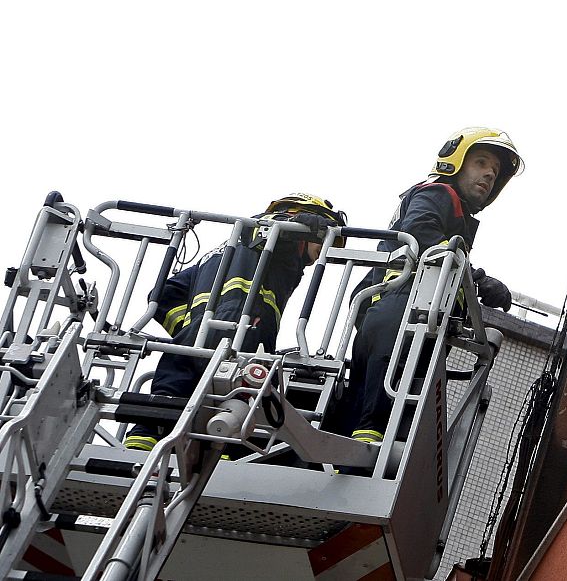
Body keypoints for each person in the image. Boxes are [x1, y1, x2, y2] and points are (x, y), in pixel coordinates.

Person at [336, 127, 520, 448]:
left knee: (372, 421)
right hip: (399, 309)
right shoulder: (437, 193)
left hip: (407, 315)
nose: (490, 174)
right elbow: (422, 233)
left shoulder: (456, 212)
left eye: (495, 171)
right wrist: (477, 278)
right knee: (372, 429)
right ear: (456, 162)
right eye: (481, 162)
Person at [124, 193, 344, 451]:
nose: (320, 255)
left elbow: (161, 296)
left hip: (197, 333)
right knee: (242, 396)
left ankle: (143, 433)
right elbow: (266, 230)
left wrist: (188, 329)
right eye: (323, 241)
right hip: (249, 326)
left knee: (173, 385)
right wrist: (298, 225)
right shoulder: (276, 234)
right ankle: (221, 453)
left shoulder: (220, 251)